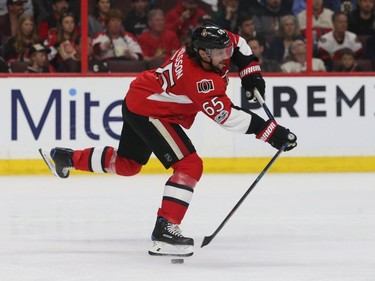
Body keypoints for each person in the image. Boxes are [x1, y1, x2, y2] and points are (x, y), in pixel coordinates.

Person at [41, 23, 297, 257]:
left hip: (139, 98)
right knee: (190, 165)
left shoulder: (206, 49)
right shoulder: (199, 81)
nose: (226, 56)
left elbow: (238, 43)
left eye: (224, 51)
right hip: (150, 111)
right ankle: (165, 230)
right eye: (219, 53)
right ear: (204, 55)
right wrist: (273, 133)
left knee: (127, 165)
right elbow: (227, 117)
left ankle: (64, 158)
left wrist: (251, 75)